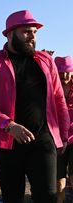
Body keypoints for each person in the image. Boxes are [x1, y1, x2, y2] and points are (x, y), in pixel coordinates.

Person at [0, 10, 70, 203]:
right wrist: (9, 125)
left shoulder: (46, 61)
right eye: (26, 31)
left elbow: (59, 98)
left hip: (43, 139)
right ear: (10, 34)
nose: (32, 36)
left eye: (34, 32)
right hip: (6, 141)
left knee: (47, 196)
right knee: (13, 197)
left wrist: (64, 133)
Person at [54, 56, 73, 203]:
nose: (64, 75)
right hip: (57, 138)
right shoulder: (51, 88)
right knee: (59, 178)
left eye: (67, 72)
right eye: (61, 72)